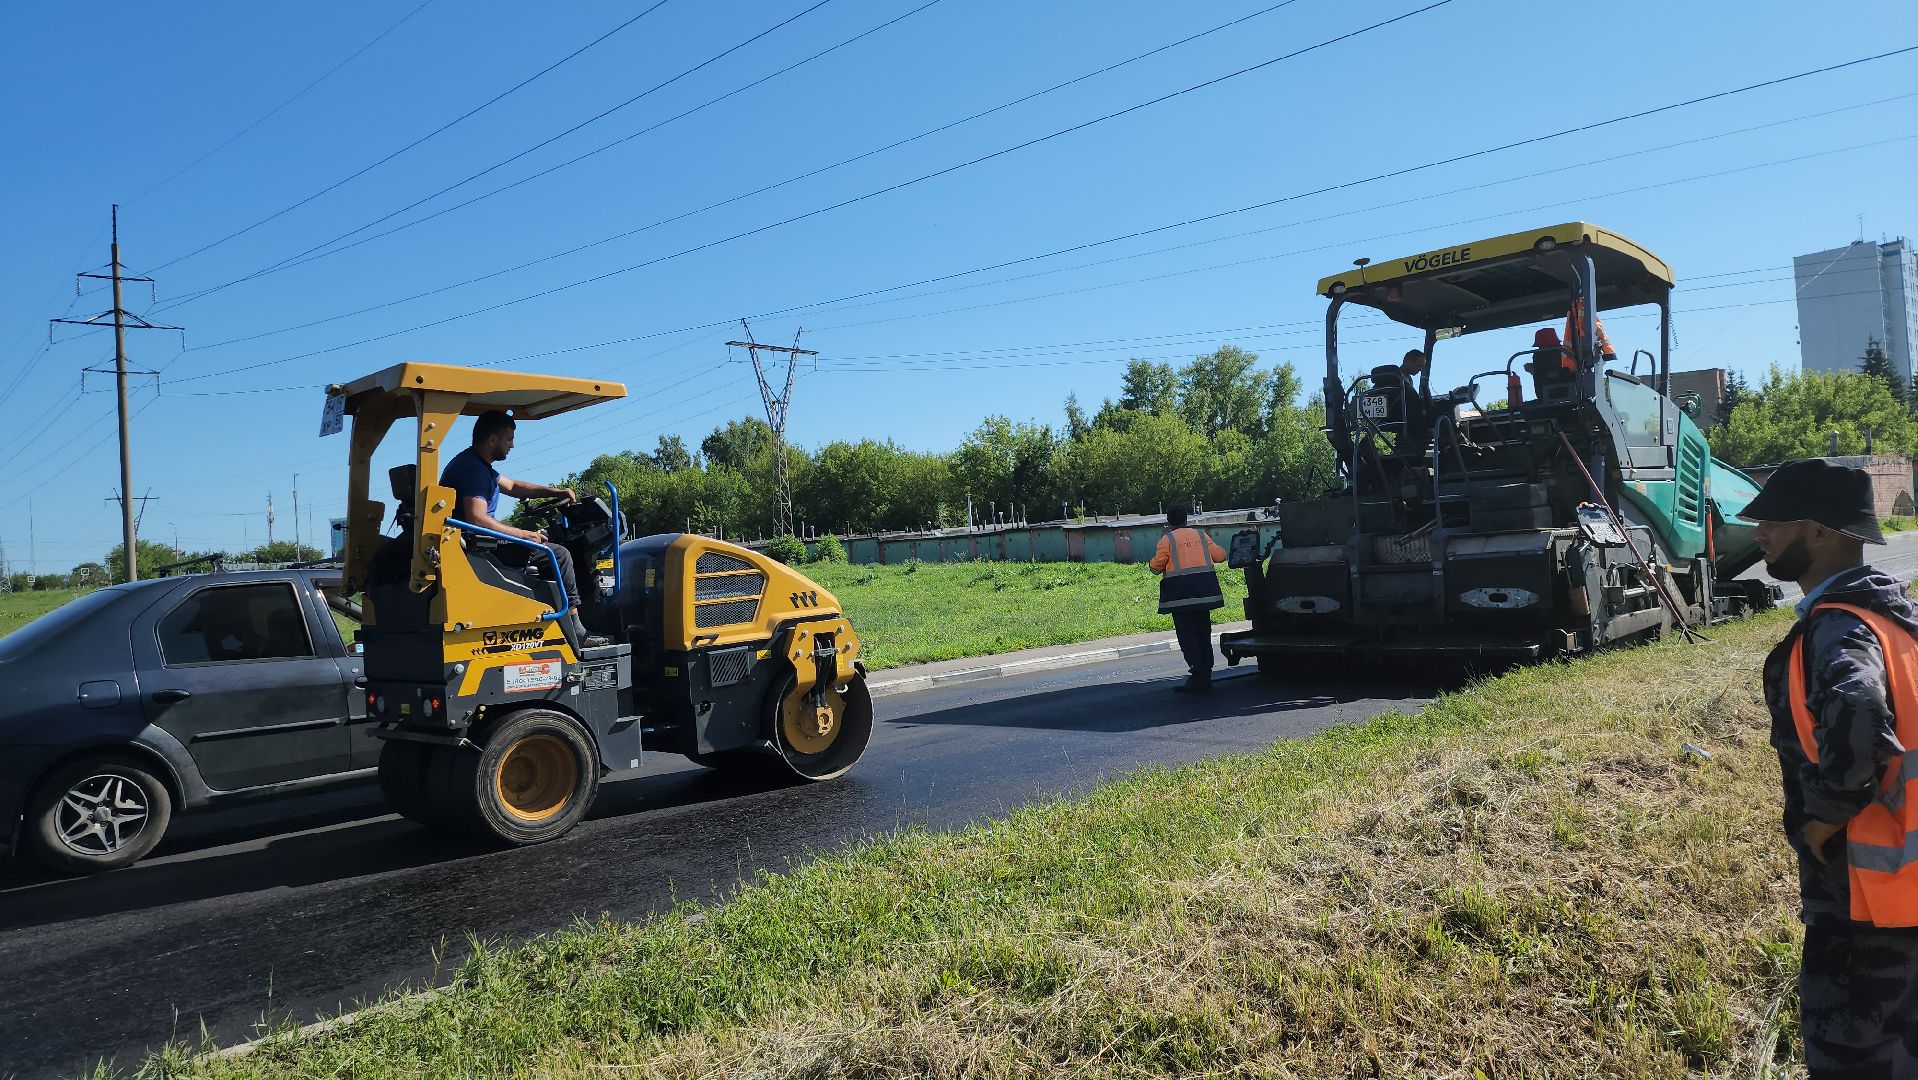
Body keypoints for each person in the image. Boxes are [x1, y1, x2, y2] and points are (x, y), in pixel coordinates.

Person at [1739, 457, 1918, 1076]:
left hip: (1863, 900)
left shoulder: (1838, 630)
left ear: (1819, 530)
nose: (1758, 532)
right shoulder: (1897, 620)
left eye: (1771, 520)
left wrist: (1821, 820)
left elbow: (1858, 712)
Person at [440, 410, 607, 649]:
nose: (512, 445)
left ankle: (559, 624)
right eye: (508, 439)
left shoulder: (475, 464)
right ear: (493, 439)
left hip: (477, 543)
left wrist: (555, 492)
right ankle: (576, 630)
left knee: (546, 547)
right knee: (559, 554)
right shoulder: (474, 470)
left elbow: (515, 486)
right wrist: (524, 534)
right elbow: (477, 518)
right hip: (481, 546)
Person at [1149, 504, 1227, 694]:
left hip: (1181, 598)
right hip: (1203, 595)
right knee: (1203, 635)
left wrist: (1151, 564)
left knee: (1188, 637)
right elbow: (1221, 556)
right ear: (1187, 519)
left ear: (1169, 521)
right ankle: (1206, 675)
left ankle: (1198, 675)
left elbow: (1156, 567)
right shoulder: (1201, 536)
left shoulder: (1166, 540)